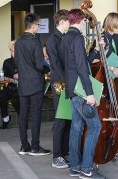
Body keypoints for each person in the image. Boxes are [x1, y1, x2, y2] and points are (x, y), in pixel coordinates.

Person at [62, 9, 104, 179]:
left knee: (76, 128)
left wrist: (95, 50)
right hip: (81, 91)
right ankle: (86, 169)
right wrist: (90, 93)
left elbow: (81, 62)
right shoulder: (78, 37)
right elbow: (82, 68)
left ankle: (74, 167)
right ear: (80, 21)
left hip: (72, 89)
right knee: (95, 126)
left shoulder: (65, 37)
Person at [15, 13, 51, 156]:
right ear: (34, 25)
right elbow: (39, 65)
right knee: (35, 115)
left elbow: (17, 62)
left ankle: (24, 146)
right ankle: (35, 147)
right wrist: (48, 67)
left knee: (23, 114)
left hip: (23, 82)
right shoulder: (35, 41)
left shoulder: (18, 42)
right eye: (37, 26)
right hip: (35, 82)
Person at [46, 9, 71, 169]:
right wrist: (67, 80)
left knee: (68, 119)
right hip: (59, 83)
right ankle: (57, 156)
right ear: (62, 22)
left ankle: (65, 152)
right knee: (60, 120)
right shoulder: (52, 40)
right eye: (69, 21)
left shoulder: (65, 37)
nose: (70, 24)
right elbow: (55, 63)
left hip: (67, 81)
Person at [0, 41, 20, 129]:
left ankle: (22, 118)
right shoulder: (7, 62)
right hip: (11, 86)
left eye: (16, 50)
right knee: (1, 96)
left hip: (23, 88)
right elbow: (3, 76)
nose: (14, 53)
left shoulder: (25, 61)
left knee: (15, 100)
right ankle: (6, 118)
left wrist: (21, 74)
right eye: (12, 50)